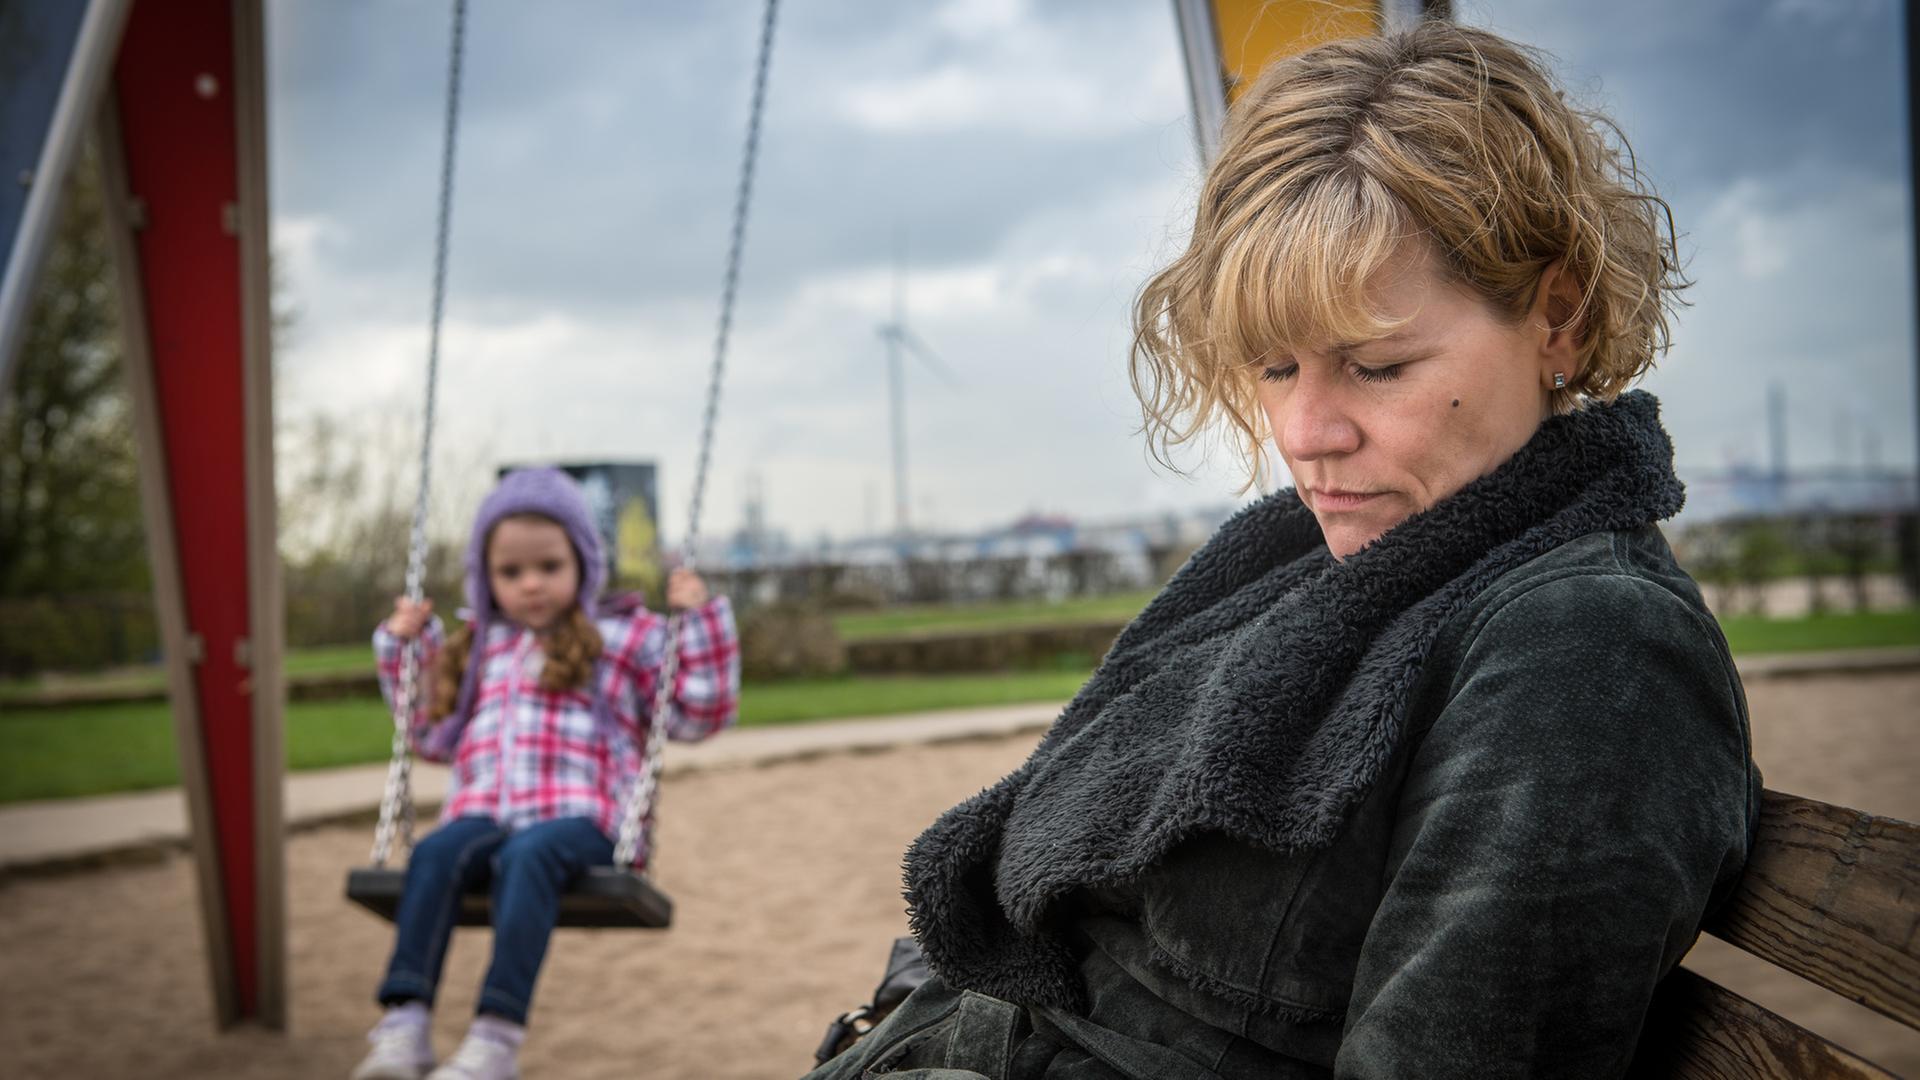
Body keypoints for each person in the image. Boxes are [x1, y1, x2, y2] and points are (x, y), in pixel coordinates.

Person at [805, 20, 1759, 1080]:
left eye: (1377, 366)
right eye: (1273, 368)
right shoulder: (1323, 567)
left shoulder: (1593, 655)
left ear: (1559, 321)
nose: (1306, 435)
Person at [351, 467, 740, 1080]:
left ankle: (495, 1039)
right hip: (485, 814)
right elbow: (427, 733)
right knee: (434, 853)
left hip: (584, 821)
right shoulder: (480, 646)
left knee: (527, 854)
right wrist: (405, 649)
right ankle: (405, 1025)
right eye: (511, 572)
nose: (531, 583)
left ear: (583, 562)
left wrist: (701, 622)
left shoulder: (623, 637)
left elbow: (700, 714)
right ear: (486, 577)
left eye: (549, 566)